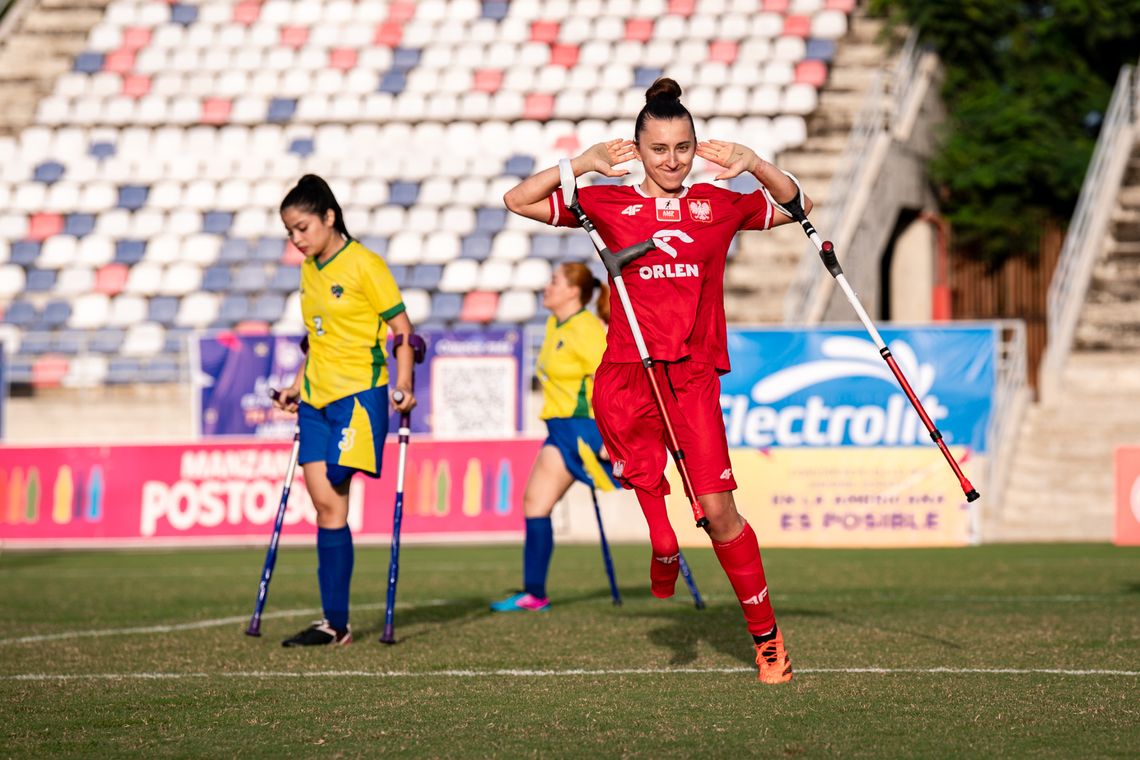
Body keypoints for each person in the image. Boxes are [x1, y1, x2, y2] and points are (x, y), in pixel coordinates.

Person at [502, 78, 812, 683]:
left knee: (720, 513)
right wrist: (580, 165)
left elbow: (796, 205)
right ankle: (663, 541)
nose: (672, 160)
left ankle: (768, 640)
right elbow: (518, 200)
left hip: (692, 377)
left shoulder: (719, 206)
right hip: (628, 373)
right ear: (638, 151)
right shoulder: (606, 203)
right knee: (645, 475)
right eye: (659, 148)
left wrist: (754, 164)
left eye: (683, 148)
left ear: (696, 149)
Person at [272, 174, 417, 647]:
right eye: (290, 232)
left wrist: (405, 383)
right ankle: (335, 624)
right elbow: (317, 338)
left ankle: (335, 622)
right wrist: (296, 386)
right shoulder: (309, 270)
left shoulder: (364, 265)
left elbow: (401, 330)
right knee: (326, 506)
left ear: (329, 217)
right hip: (315, 400)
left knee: (335, 484)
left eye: (302, 228)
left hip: (360, 395)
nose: (296, 240)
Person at [491, 262, 620, 612]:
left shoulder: (588, 330)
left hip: (586, 429)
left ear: (572, 291)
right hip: (560, 429)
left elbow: (612, 383)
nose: (546, 288)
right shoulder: (553, 324)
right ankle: (534, 593)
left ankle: (677, 555)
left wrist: (614, 435)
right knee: (535, 504)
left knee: (641, 489)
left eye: (553, 282)